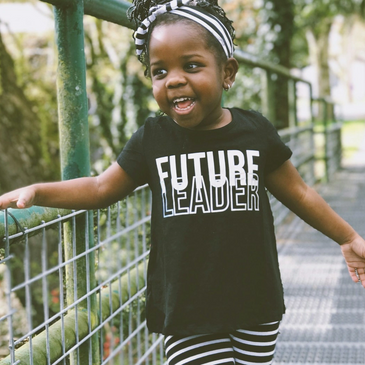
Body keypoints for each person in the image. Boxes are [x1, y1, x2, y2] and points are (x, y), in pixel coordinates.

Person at [1, 0, 364, 363]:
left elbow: (299, 191)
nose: (173, 79)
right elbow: (100, 189)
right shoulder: (152, 139)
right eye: (160, 72)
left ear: (227, 72)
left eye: (191, 66)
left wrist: (347, 238)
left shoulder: (255, 131)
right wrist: (38, 192)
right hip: (187, 308)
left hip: (255, 301)